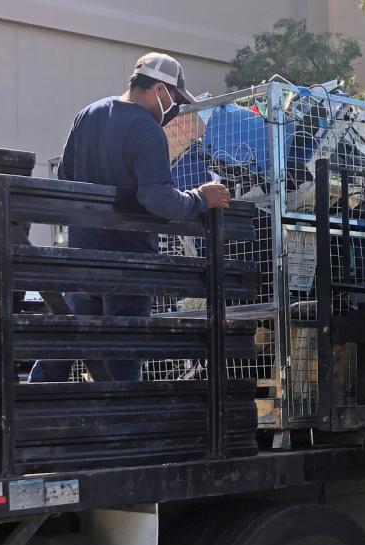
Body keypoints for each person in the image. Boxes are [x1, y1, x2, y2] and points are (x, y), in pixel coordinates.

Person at [29, 52, 231, 383]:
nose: (175, 108)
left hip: (81, 257)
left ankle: (25, 415)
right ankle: (123, 429)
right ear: (159, 90)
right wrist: (201, 198)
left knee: (63, 344)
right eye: (175, 99)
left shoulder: (89, 115)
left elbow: (64, 177)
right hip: (128, 264)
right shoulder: (146, 129)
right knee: (123, 357)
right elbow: (158, 199)